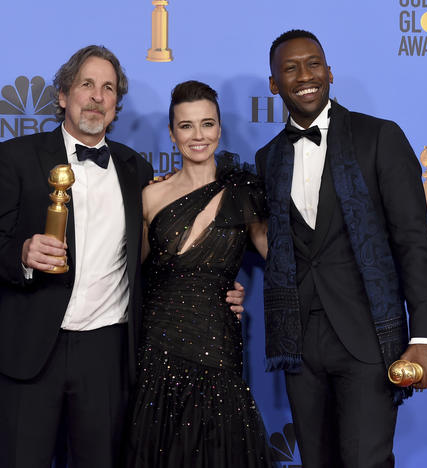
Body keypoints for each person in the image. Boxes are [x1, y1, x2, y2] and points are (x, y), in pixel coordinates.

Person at [0, 47, 246, 468]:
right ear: (63, 95)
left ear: (117, 104)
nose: (97, 96)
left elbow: (165, 255)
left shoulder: (135, 169)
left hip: (107, 354)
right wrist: (23, 254)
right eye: (86, 85)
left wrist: (216, 288)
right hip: (27, 351)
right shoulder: (15, 158)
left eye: (108, 88)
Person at [255, 29, 427, 467]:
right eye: (290, 67)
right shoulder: (268, 159)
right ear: (273, 84)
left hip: (368, 338)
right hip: (299, 343)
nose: (305, 76)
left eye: (314, 63)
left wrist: (426, 335)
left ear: (329, 72)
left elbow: (413, 241)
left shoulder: (379, 137)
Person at [125, 80, 275, 467]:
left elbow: (284, 261)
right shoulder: (149, 196)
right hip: (157, 346)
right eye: (186, 126)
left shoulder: (244, 193)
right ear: (172, 133)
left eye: (207, 124)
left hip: (217, 346)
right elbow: (128, 274)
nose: (198, 135)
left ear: (220, 129)